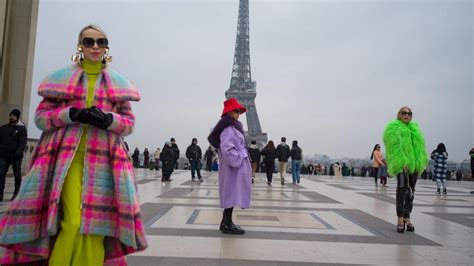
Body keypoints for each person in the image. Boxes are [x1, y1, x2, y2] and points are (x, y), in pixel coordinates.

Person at [0, 25, 147, 264]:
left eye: (101, 42)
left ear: (107, 46)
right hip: (66, 161)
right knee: (72, 223)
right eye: (89, 42)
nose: (96, 47)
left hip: (105, 163)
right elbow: (41, 118)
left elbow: (128, 124)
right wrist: (72, 114)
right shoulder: (62, 79)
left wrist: (109, 119)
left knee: (97, 229)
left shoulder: (117, 84)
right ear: (80, 45)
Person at [208, 98, 251, 235]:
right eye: (236, 111)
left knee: (231, 193)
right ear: (229, 112)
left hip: (233, 168)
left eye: (239, 111)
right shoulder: (228, 129)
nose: (239, 113)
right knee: (230, 193)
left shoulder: (231, 127)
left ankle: (225, 222)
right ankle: (227, 224)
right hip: (233, 167)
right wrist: (240, 157)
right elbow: (227, 150)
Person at [384, 106, 428, 233]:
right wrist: (401, 162)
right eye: (404, 113)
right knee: (402, 189)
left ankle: (407, 217)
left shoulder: (414, 128)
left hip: (414, 164)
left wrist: (421, 162)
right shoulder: (393, 127)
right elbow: (393, 147)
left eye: (409, 113)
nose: (407, 115)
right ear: (399, 114)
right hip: (402, 165)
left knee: (411, 190)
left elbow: (420, 148)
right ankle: (400, 218)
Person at [0, 109, 27, 201]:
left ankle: (16, 193)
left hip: (16, 157)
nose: (12, 117)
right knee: (1, 174)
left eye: (14, 116)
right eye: (11, 115)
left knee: (17, 175)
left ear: (17, 117)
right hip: (4, 156)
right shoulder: (3, 128)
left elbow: (22, 143)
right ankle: (0, 194)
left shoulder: (22, 129)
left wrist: (18, 153)